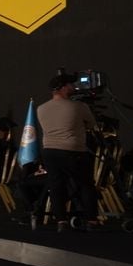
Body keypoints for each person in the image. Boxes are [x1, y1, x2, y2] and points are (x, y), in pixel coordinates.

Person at [38, 71, 100, 229]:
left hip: (49, 151)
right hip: (73, 151)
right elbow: (92, 125)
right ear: (63, 88)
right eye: (71, 84)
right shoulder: (79, 106)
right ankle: (91, 220)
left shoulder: (41, 108)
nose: (74, 87)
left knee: (56, 185)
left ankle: (61, 221)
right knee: (86, 184)